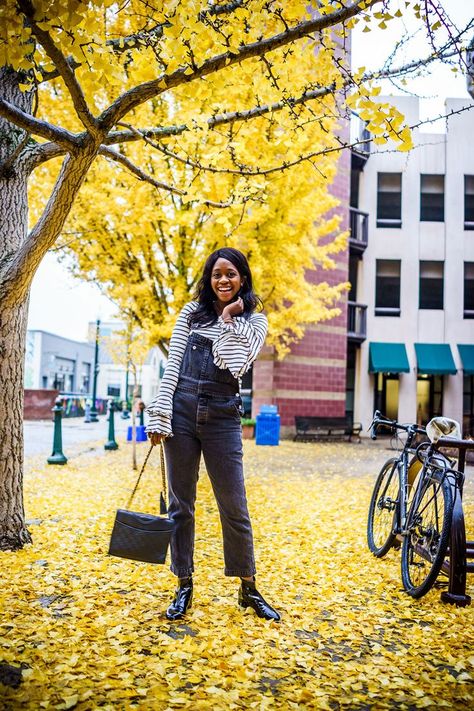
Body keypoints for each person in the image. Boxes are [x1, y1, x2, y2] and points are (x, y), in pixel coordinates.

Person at [146, 247, 280, 622]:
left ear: (243, 279)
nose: (224, 280)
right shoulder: (189, 314)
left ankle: (248, 587)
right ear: (208, 279)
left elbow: (234, 362)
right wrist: (160, 414)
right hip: (182, 412)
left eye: (231, 274)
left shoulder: (255, 321)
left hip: (223, 416)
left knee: (234, 506)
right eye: (217, 274)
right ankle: (183, 584)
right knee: (180, 505)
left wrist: (227, 319)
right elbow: (172, 366)